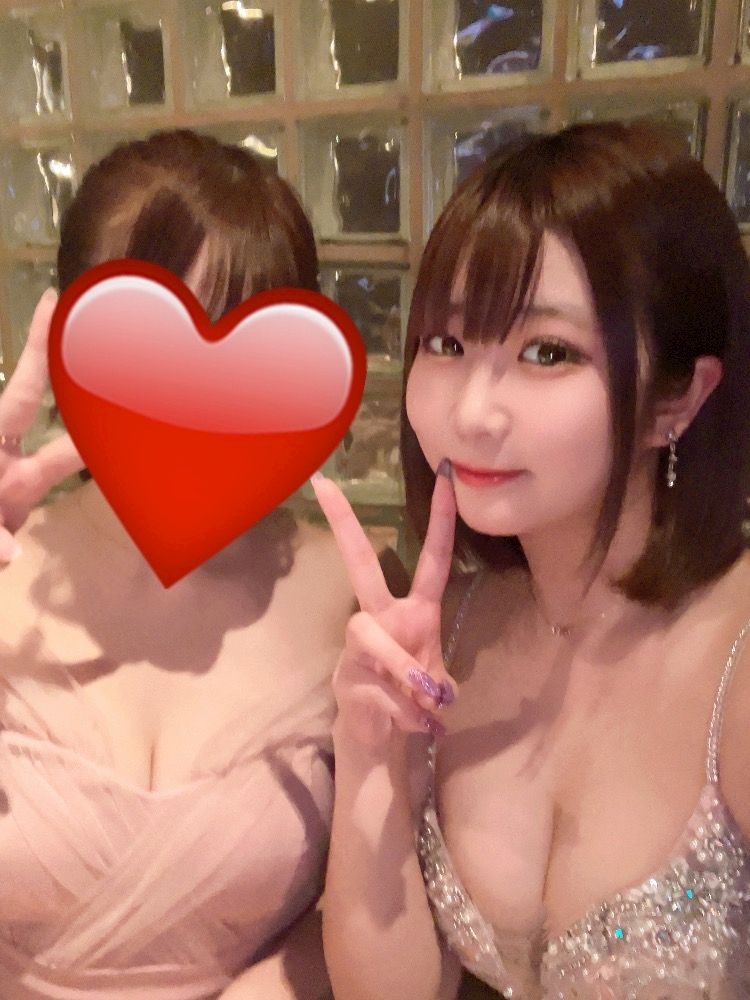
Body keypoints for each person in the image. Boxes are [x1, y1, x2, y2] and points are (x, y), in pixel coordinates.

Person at [313, 120, 750, 999]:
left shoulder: (735, 662)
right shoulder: (451, 628)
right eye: (446, 344)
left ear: (676, 397)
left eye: (547, 352)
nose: (471, 412)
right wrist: (368, 759)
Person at [0, 128, 374, 1000]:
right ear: (60, 332)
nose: (191, 402)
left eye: (241, 357)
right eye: (141, 347)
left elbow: (389, 909)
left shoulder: (352, 593)